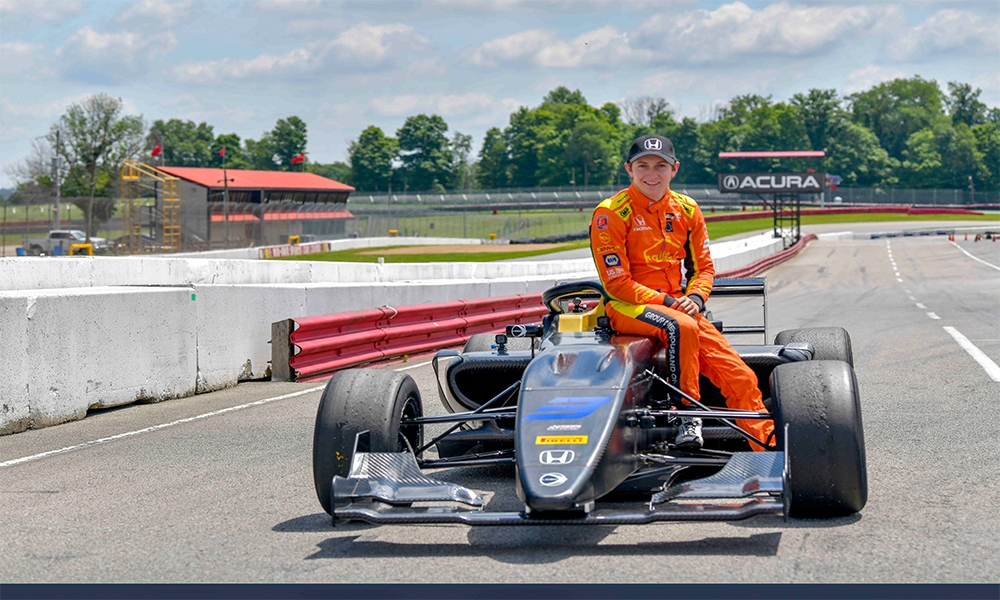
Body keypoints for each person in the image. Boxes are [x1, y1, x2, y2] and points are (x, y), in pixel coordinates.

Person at [589, 134, 773, 450]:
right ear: (629, 169)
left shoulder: (687, 209)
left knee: (741, 378)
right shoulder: (610, 213)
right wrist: (669, 302)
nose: (652, 174)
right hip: (626, 306)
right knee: (681, 326)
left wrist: (696, 298)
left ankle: (769, 448)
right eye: (643, 166)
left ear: (674, 169)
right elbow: (617, 284)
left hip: (678, 305)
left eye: (660, 166)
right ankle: (686, 416)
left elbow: (704, 269)